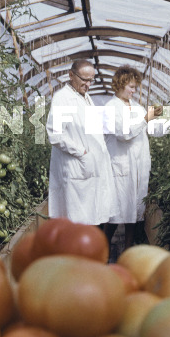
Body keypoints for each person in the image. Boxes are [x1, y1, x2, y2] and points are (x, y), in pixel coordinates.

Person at [46, 60, 116, 226]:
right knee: (76, 222)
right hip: (76, 167)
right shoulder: (63, 98)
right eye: (84, 79)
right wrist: (82, 152)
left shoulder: (84, 96)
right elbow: (56, 134)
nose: (88, 84)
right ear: (71, 75)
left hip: (88, 169)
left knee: (90, 219)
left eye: (91, 80)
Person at [104, 65, 165, 255]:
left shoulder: (136, 107)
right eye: (131, 86)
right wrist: (147, 118)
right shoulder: (111, 108)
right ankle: (103, 250)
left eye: (135, 87)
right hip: (120, 167)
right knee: (116, 213)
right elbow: (124, 134)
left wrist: (163, 120)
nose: (134, 90)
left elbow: (152, 130)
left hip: (138, 165)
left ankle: (128, 252)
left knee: (134, 212)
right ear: (120, 84)